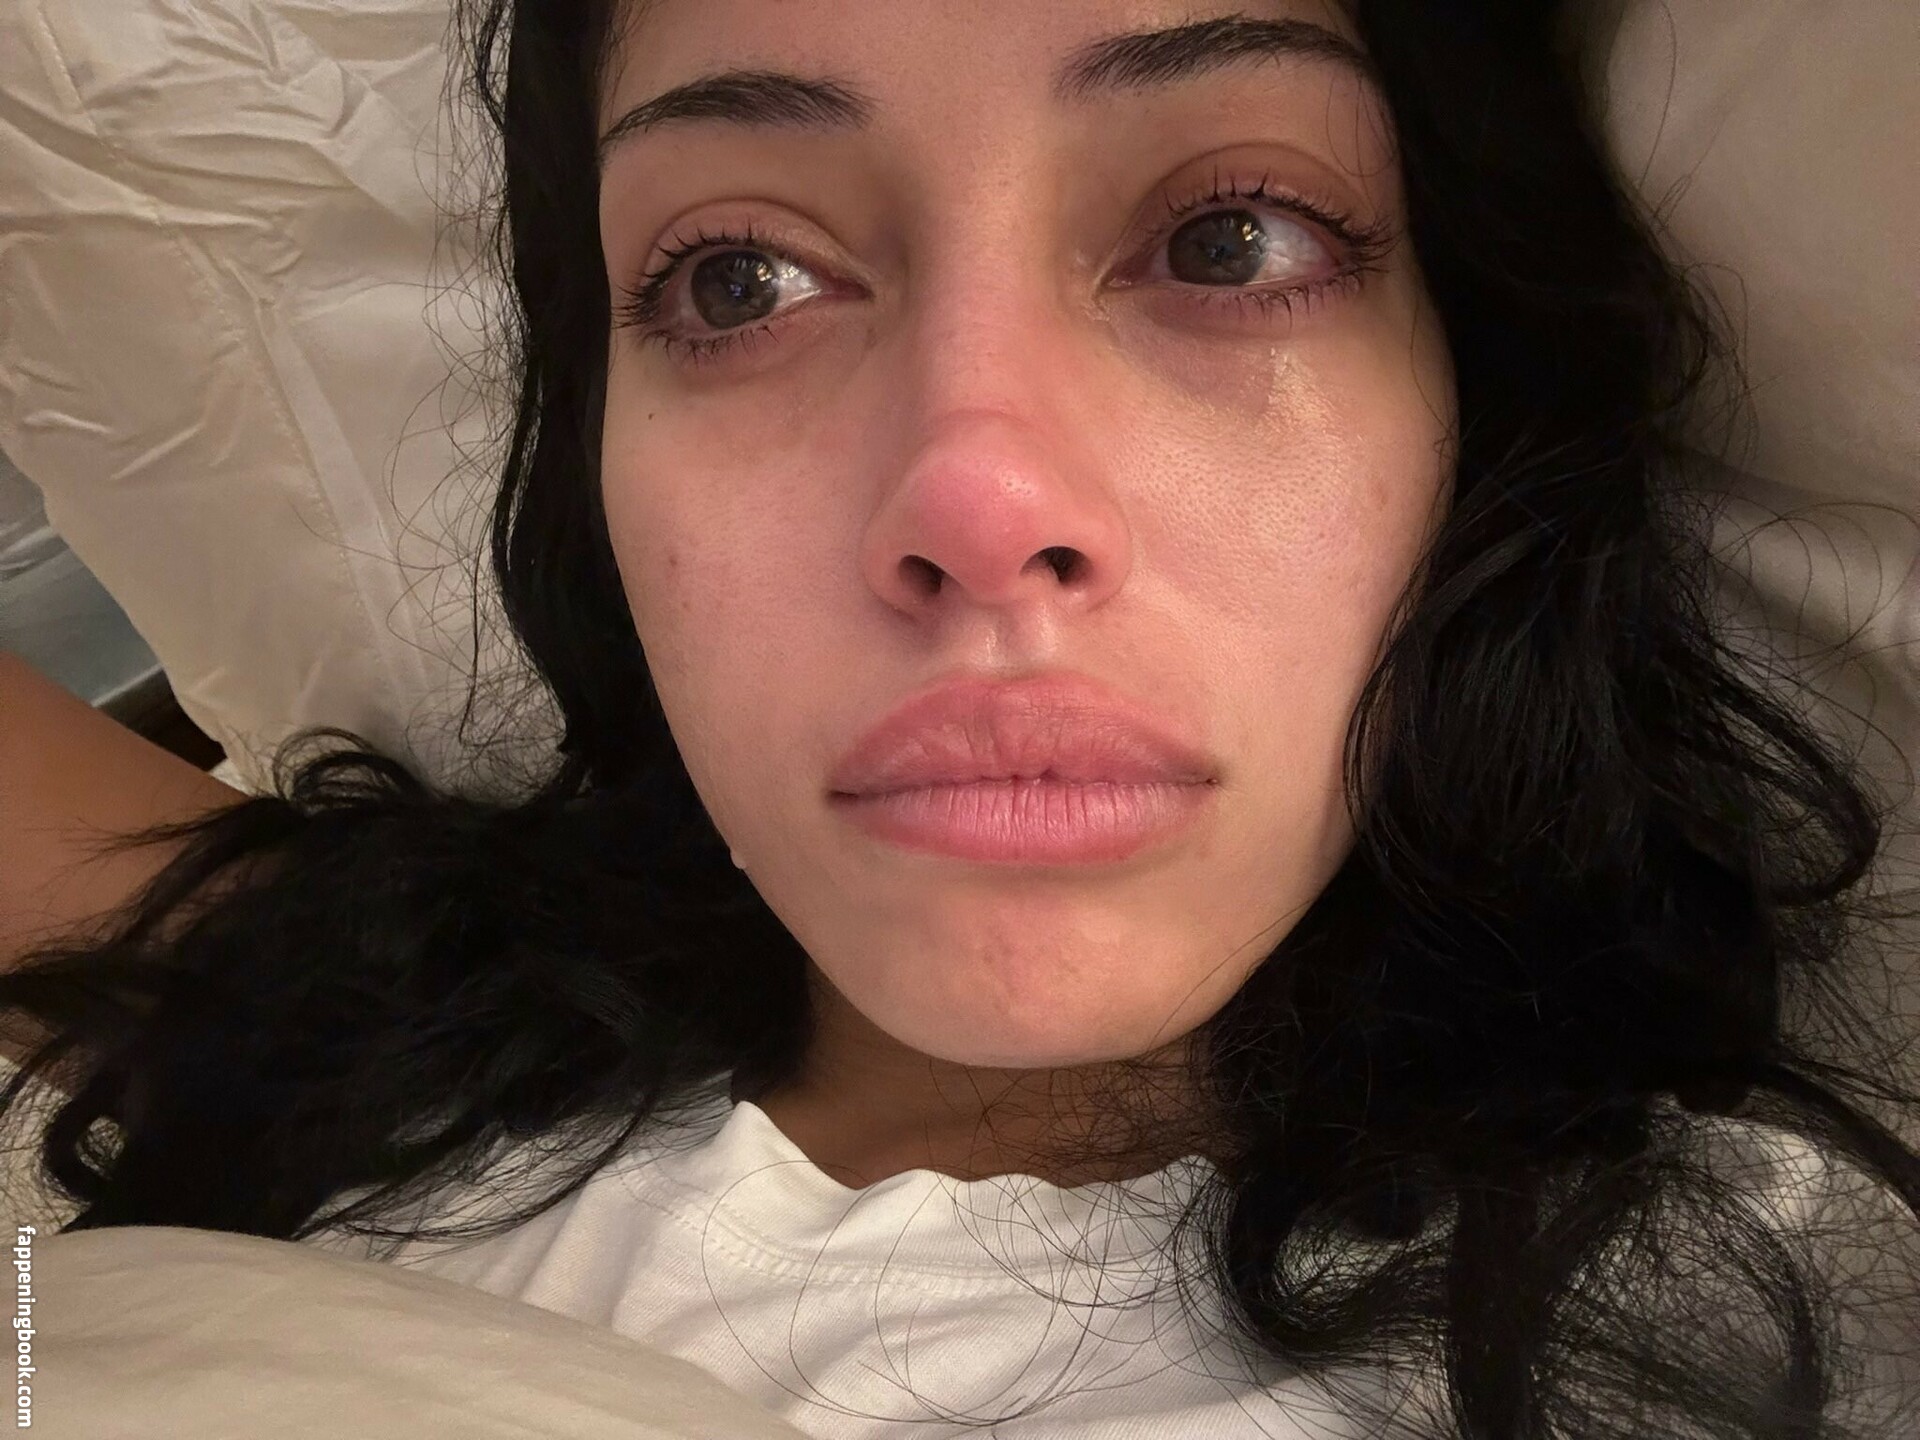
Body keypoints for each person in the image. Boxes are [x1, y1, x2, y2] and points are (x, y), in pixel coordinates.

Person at [3, 1, 1916, 1436]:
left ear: (1468, 415)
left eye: (1231, 239)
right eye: (738, 278)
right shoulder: (380, 1004)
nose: (978, 502)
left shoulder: (1760, 1315)